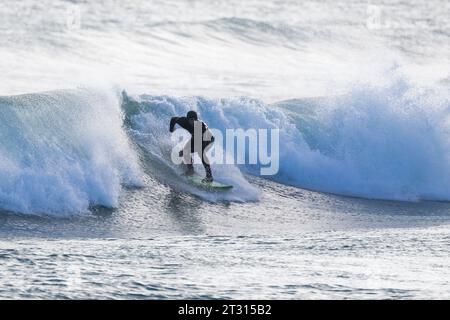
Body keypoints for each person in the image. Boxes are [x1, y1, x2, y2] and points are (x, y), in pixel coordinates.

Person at [169, 111, 215, 183]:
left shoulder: (201, 126)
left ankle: (209, 177)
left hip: (208, 140)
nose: (192, 122)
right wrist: (171, 129)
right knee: (186, 150)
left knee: (201, 153)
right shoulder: (183, 121)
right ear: (187, 119)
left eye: (194, 120)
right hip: (196, 137)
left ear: (196, 120)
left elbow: (200, 147)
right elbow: (173, 119)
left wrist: (186, 152)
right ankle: (190, 171)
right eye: (190, 120)